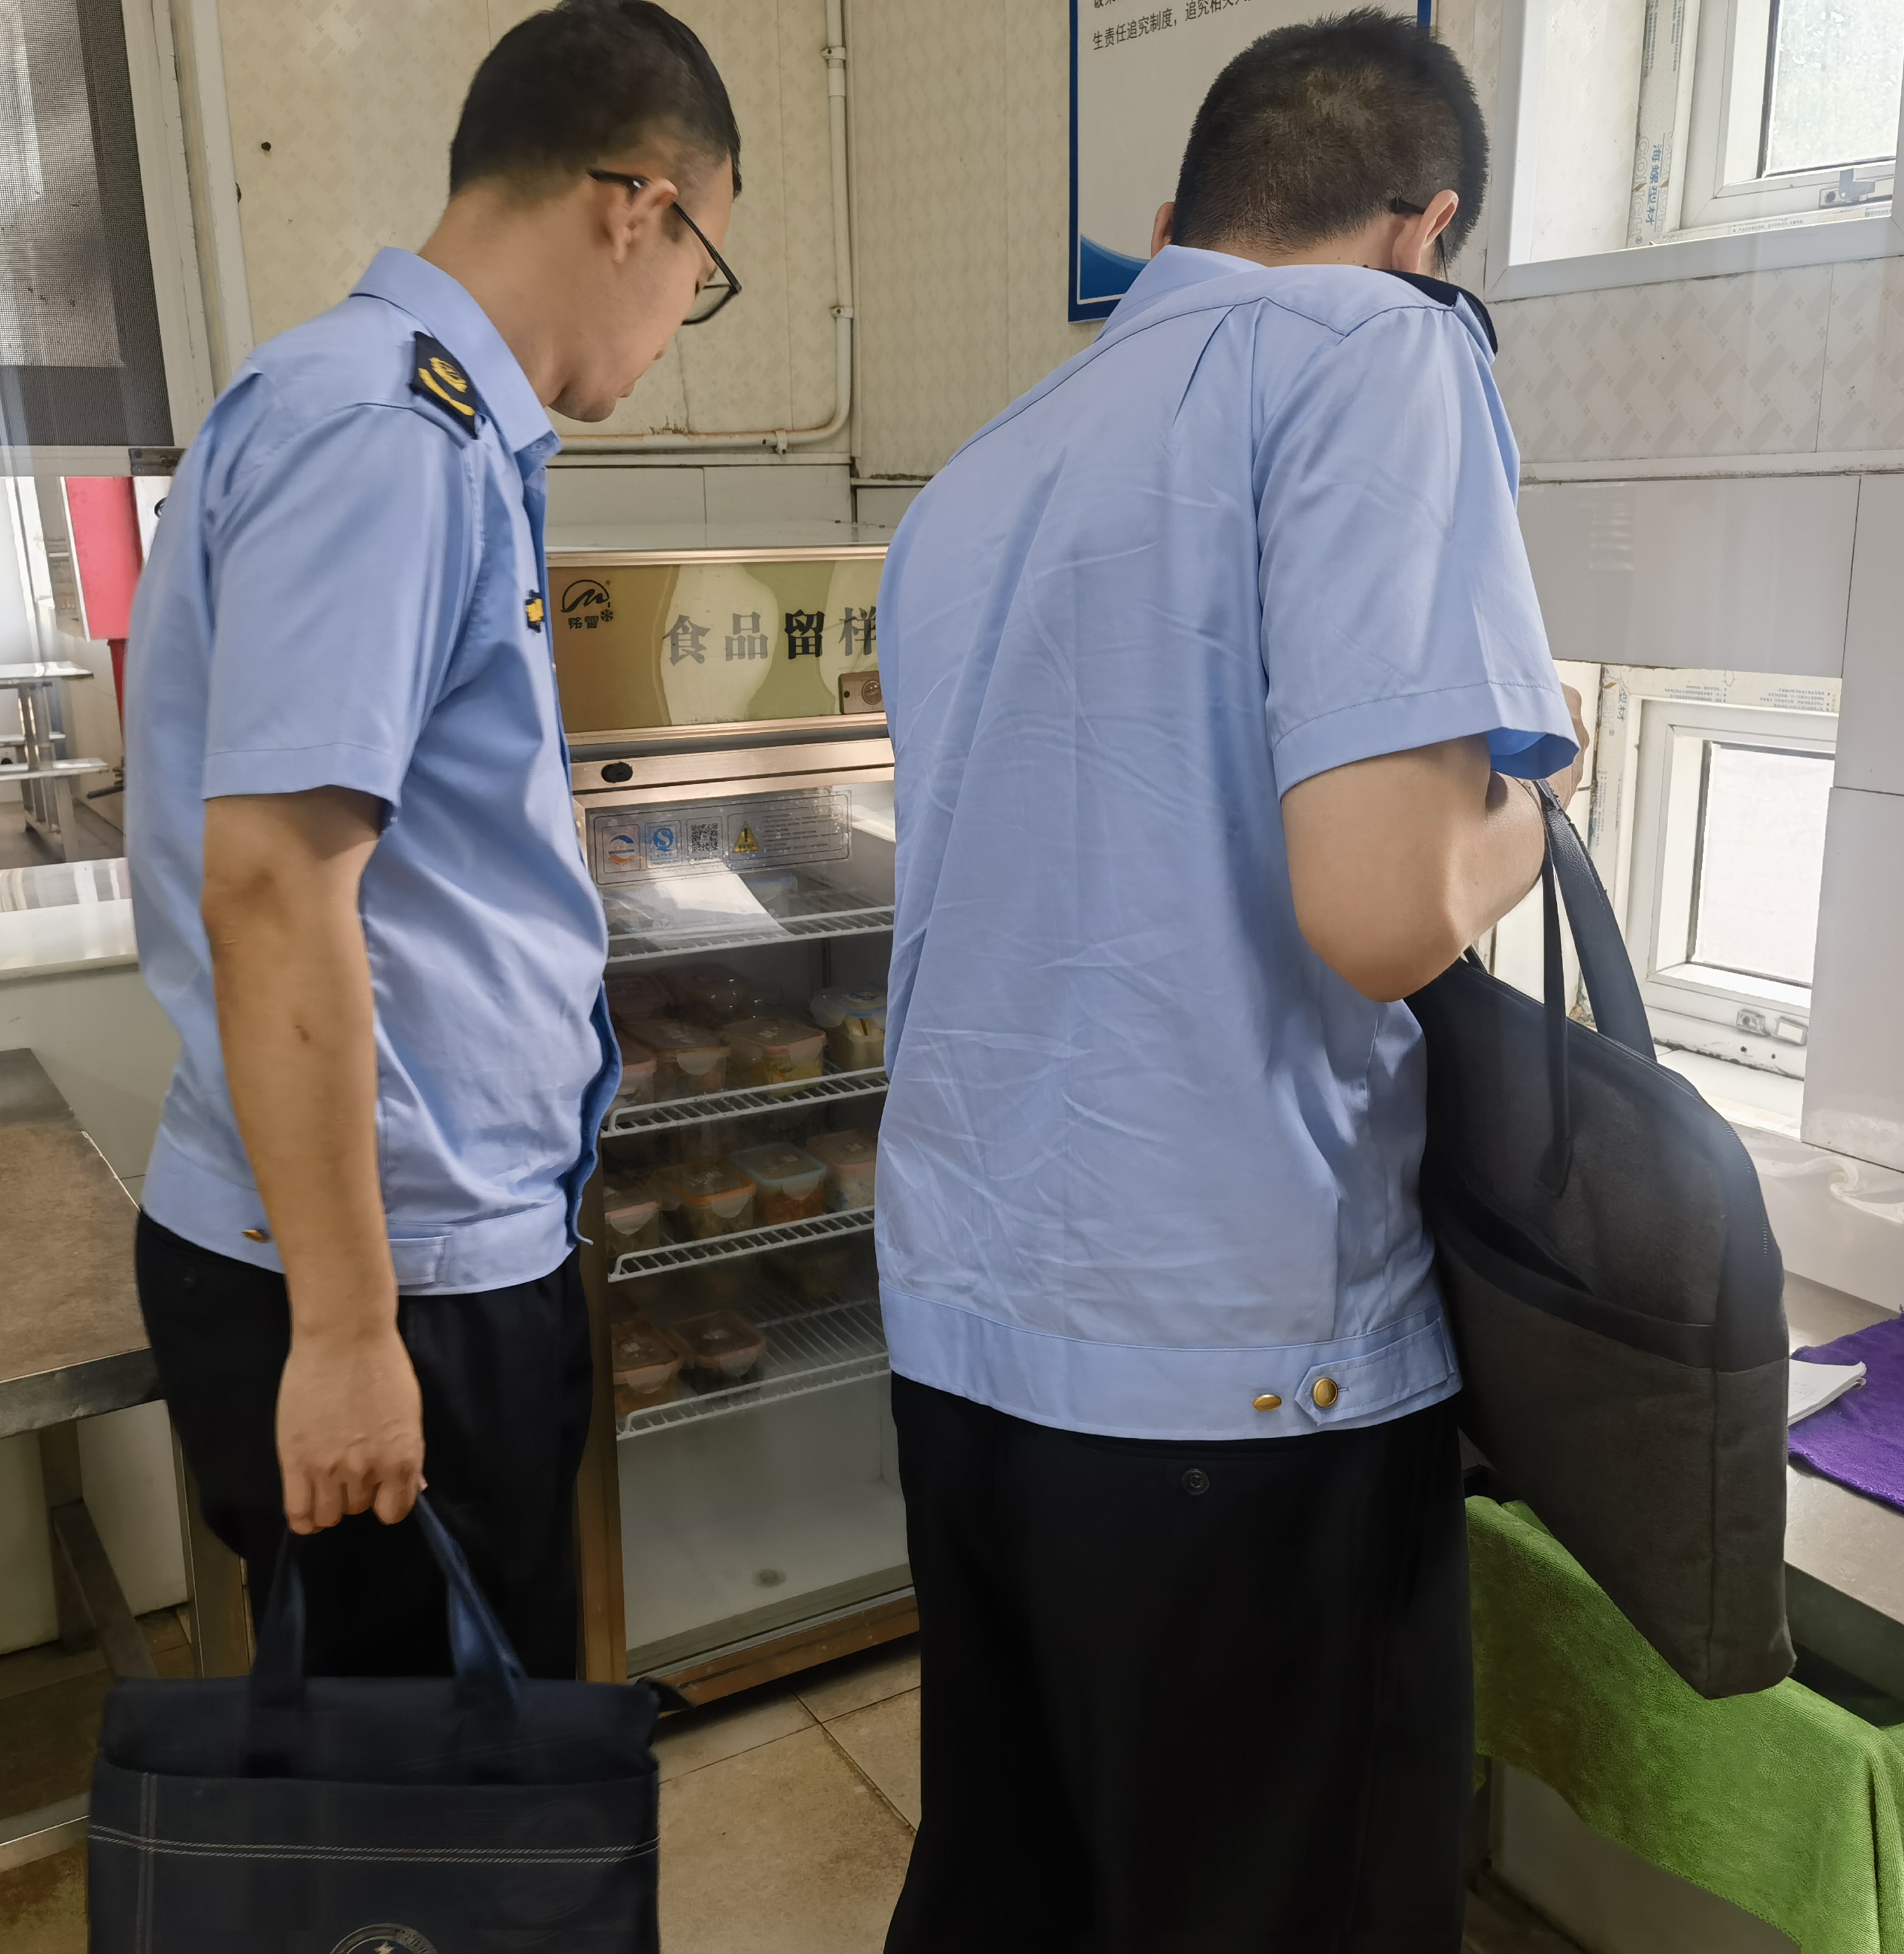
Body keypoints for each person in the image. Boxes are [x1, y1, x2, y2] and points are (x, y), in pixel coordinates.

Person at [874, 12, 1587, 1949]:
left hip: (968, 1337)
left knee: (1025, 1889)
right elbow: (1384, 910)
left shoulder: (985, 471)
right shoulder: (1385, 350)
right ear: (1428, 229)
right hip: (1242, 1368)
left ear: (1177, 221)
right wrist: (1530, 810)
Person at [121, 0, 740, 1680]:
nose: (680, 324)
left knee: (443, 1756)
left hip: (415, 1253)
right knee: (427, 1785)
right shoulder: (386, 435)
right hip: (382, 1276)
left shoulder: (408, 418)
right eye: (705, 270)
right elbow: (273, 889)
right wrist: (345, 1332)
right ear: (638, 208)